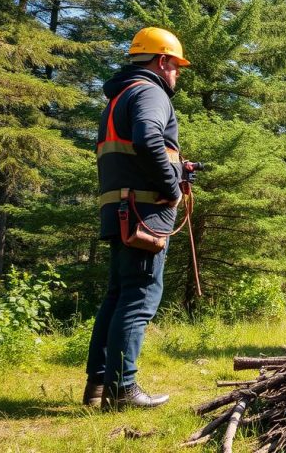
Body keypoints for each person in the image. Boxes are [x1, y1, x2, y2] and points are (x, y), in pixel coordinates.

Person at [85, 27, 190, 408]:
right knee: (140, 297)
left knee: (118, 295)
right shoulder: (150, 92)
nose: (177, 74)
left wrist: (176, 169)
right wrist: (173, 187)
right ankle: (123, 389)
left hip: (120, 209)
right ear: (162, 61)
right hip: (144, 213)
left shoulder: (119, 98)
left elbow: (138, 148)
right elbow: (148, 139)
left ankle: (99, 384)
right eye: (176, 66)